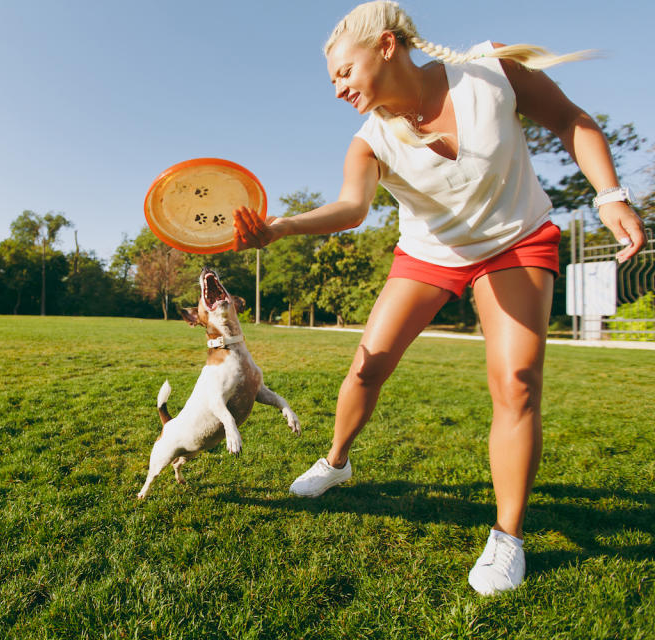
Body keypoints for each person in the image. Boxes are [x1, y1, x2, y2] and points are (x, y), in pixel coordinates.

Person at [232, 0, 646, 595]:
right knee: (366, 369)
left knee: (519, 381)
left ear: (386, 45)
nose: (338, 89)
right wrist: (277, 229)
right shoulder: (369, 140)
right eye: (332, 82)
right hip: (428, 254)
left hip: (515, 242)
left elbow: (570, 119)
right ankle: (337, 462)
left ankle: (507, 538)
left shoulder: (490, 71)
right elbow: (351, 210)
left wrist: (610, 195)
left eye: (344, 72)